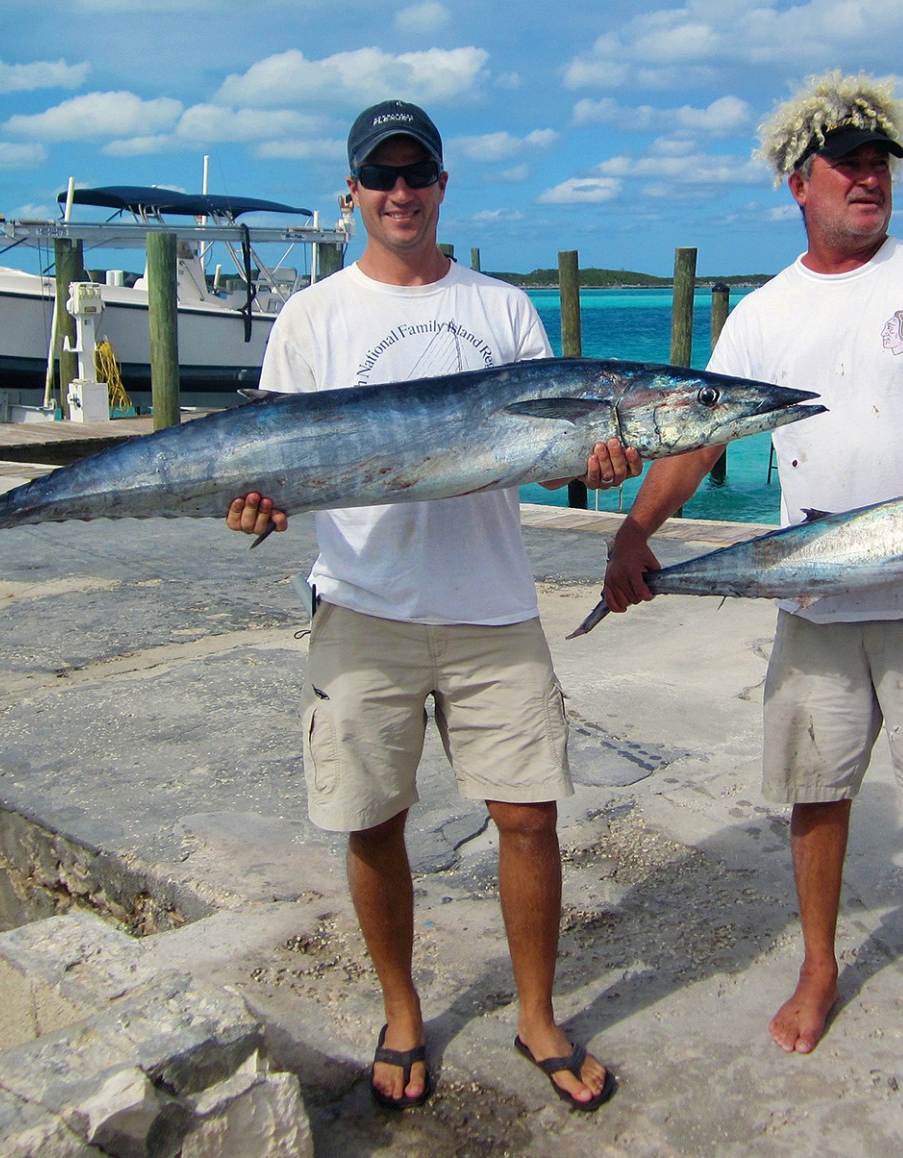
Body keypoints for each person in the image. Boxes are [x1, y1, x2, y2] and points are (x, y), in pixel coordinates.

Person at [598, 71, 903, 1082]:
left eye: (879, 161)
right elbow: (698, 442)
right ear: (799, 181)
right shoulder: (761, 314)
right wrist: (635, 531)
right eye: (846, 163)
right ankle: (818, 965)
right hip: (816, 592)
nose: (867, 178)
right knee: (816, 789)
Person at [228, 100, 632, 1111]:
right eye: (382, 177)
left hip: (492, 605)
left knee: (528, 817)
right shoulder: (311, 317)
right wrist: (251, 507)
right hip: (363, 604)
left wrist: (596, 461)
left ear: (444, 186)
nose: (400, 193)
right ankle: (404, 1012)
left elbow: (540, 462)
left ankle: (536, 1015)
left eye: (418, 176)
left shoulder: (503, 311)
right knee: (372, 820)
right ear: (353, 192)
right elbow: (268, 464)